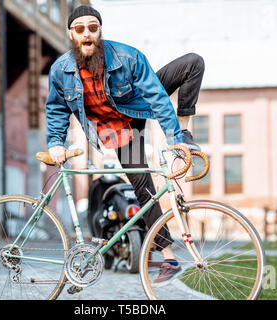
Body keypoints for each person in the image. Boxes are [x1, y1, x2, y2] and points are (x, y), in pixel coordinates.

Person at [46, 5, 205, 286]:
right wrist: (56, 142)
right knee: (144, 188)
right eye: (80, 28)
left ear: (100, 31)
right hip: (119, 132)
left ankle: (184, 132)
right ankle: (168, 257)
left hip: (138, 106)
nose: (87, 34)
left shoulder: (127, 57)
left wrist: (175, 140)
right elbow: (57, 109)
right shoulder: (61, 71)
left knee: (193, 62)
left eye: (92, 28)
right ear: (72, 33)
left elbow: (156, 96)